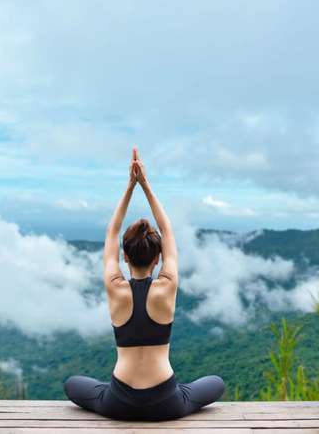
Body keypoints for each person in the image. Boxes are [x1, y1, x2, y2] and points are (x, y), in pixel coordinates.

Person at [63, 147, 224, 421]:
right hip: (167, 402)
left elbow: (112, 232)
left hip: (118, 401)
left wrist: (130, 186)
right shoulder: (167, 286)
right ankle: (181, 392)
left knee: (72, 384)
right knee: (216, 383)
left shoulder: (115, 287)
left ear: (124, 256)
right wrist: (145, 184)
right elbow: (168, 229)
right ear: (159, 257)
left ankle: (112, 392)